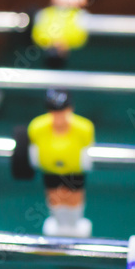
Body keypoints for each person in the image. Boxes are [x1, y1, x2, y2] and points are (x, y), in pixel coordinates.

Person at [27, 89, 94, 237]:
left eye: (62, 111)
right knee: (54, 197)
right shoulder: (37, 127)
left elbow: (89, 149)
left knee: (74, 198)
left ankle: (74, 225)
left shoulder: (84, 128)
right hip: (50, 171)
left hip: (74, 171)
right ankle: (60, 224)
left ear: (70, 109)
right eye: (54, 111)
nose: (58, 116)